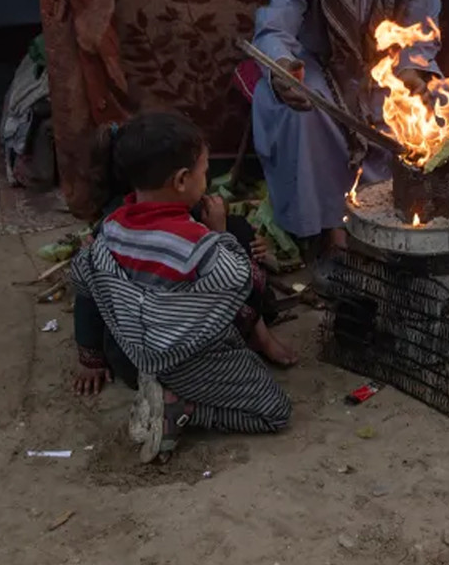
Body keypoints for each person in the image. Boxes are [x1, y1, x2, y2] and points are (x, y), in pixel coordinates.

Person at [70, 112, 294, 463]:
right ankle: (184, 407)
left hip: (135, 357)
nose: (207, 180)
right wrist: (220, 233)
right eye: (205, 172)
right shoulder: (194, 243)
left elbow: (84, 279)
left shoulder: (109, 230)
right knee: (274, 411)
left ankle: (168, 393)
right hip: (188, 359)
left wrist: (90, 353)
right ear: (181, 180)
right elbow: (239, 281)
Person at [251, 0, 443, 254]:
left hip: (388, 63)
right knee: (306, 113)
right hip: (320, 63)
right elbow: (277, 24)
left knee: (424, 105)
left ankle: (398, 213)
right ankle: (329, 234)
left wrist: (409, 68)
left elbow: (423, 21)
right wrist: (283, 66)